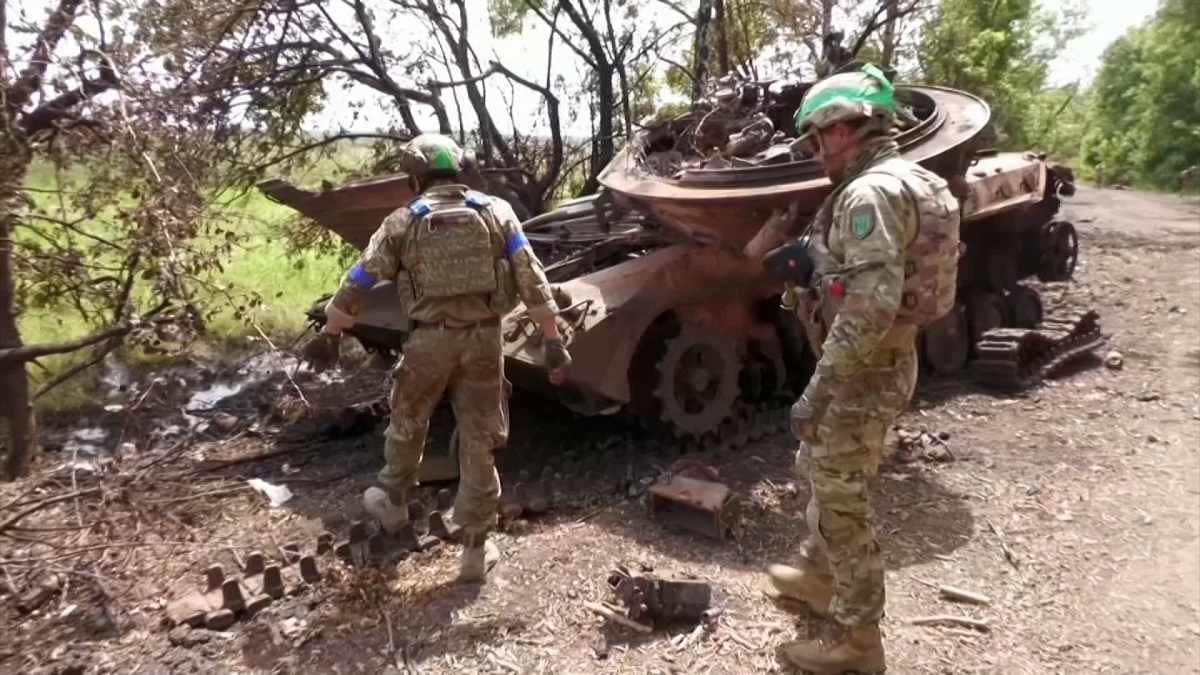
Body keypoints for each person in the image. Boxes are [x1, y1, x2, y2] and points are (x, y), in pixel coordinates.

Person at [744, 64, 961, 672]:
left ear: (843, 130)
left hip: (863, 368)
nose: (814, 153)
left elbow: (871, 305)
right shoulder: (903, 180)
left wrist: (818, 388)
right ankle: (819, 578)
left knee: (841, 499)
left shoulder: (869, 194)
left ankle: (858, 644)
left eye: (816, 139)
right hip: (875, 361)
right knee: (815, 469)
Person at [301, 134, 571, 582]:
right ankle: (474, 549)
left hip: (428, 341)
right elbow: (532, 278)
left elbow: (360, 278)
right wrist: (551, 336)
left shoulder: (403, 221)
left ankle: (392, 497)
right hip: (485, 340)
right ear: (461, 170)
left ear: (413, 178)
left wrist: (332, 331)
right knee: (479, 436)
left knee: (409, 417)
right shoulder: (497, 212)